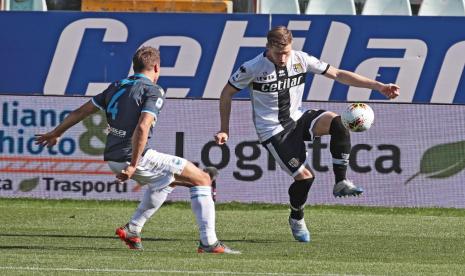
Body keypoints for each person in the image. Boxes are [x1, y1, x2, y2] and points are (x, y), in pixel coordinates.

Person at [35, 46, 239, 254]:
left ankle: (133, 229)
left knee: (165, 183)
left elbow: (81, 111)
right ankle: (209, 243)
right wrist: (134, 164)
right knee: (203, 179)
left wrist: (55, 132)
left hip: (114, 156)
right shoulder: (153, 90)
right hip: (131, 157)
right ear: (157, 67)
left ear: (135, 67)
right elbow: (142, 126)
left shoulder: (116, 86)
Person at [214, 26, 399, 243]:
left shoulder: (300, 59)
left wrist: (378, 86)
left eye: (286, 52)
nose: (283, 58)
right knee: (305, 178)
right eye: (277, 53)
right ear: (268, 48)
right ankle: (297, 217)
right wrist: (224, 128)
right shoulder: (252, 67)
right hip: (273, 131)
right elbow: (227, 93)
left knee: (338, 122)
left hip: (298, 117)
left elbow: (338, 74)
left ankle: (341, 181)